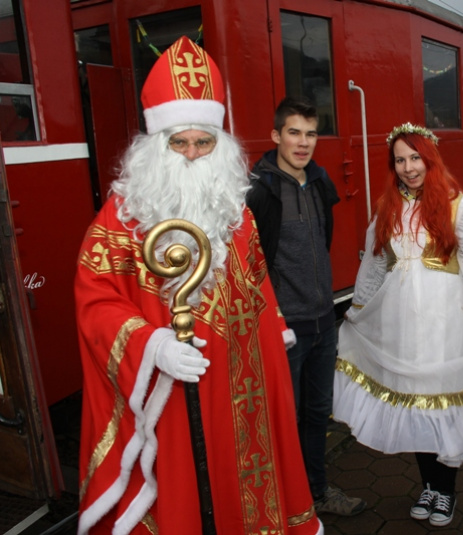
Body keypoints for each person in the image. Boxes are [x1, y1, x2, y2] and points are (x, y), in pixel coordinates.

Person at [75, 37, 322, 535]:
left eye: (203, 142)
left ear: (220, 144)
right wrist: (153, 345)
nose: (191, 154)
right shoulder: (123, 215)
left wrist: (273, 331)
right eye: (179, 142)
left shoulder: (235, 210)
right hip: (171, 391)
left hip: (244, 382)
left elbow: (258, 284)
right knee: (187, 495)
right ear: (156, 144)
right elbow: (94, 299)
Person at [333, 123, 463, 528]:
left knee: (441, 404)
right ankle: (428, 484)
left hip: (444, 319)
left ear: (430, 159)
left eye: (415, 158)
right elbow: (375, 263)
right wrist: (358, 308)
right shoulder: (387, 205)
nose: (408, 167)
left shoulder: (456, 203)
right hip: (401, 319)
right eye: (400, 160)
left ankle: (445, 490)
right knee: (415, 403)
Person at [247, 96, 365, 516]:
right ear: (276, 135)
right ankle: (282, 503)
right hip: (286, 326)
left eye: (310, 134)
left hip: (322, 320)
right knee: (283, 418)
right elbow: (253, 262)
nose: (303, 142)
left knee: (317, 414)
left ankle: (316, 493)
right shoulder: (258, 191)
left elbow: (322, 242)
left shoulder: (319, 182)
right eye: (293, 132)